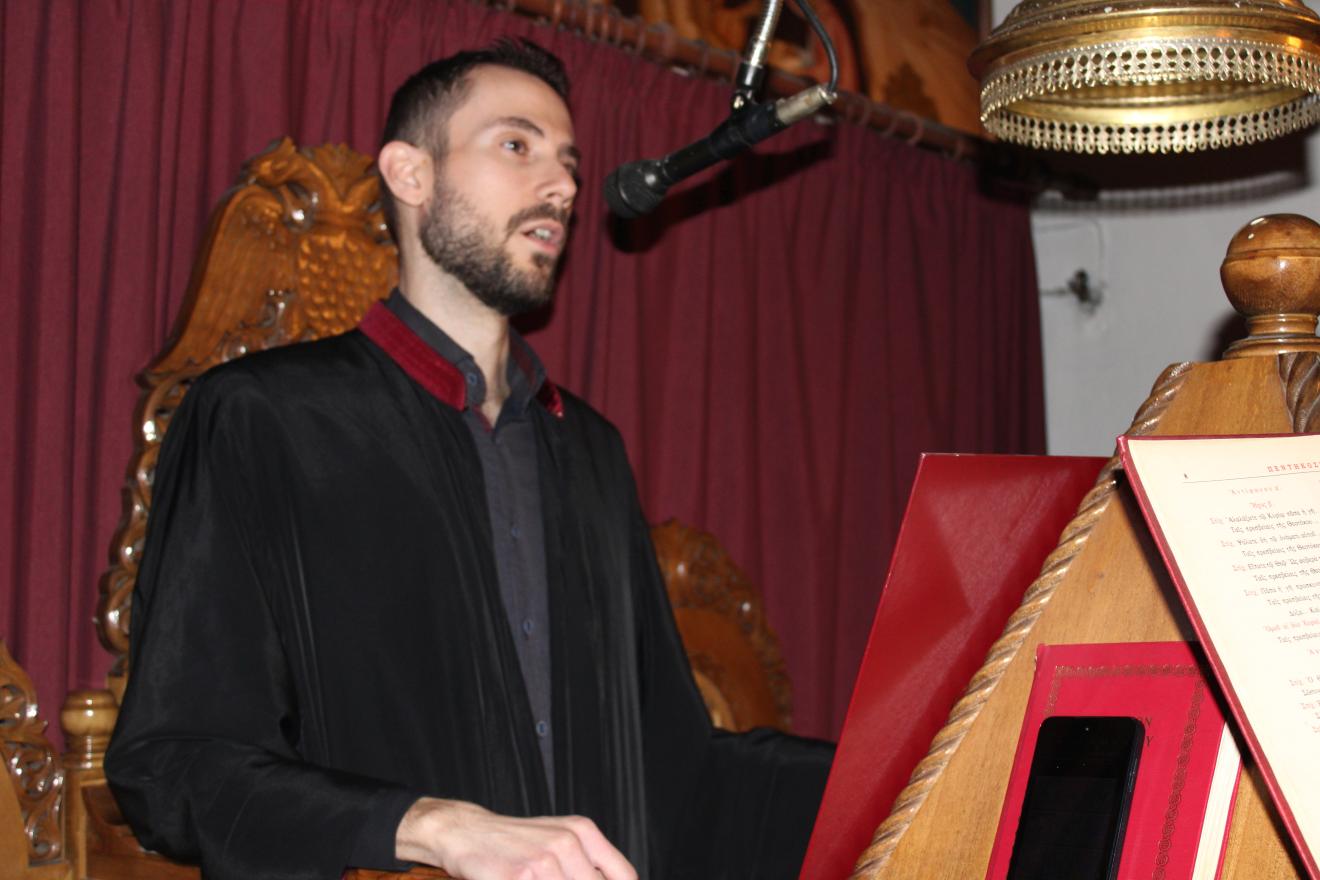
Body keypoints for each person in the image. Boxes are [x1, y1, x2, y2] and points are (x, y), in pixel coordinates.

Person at [105, 39, 832, 880]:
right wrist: (430, 826)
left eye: (569, 164)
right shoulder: (264, 419)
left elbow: (677, 771)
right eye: (517, 146)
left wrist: (924, 763)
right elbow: (175, 764)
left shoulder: (590, 451)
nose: (562, 186)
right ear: (410, 174)